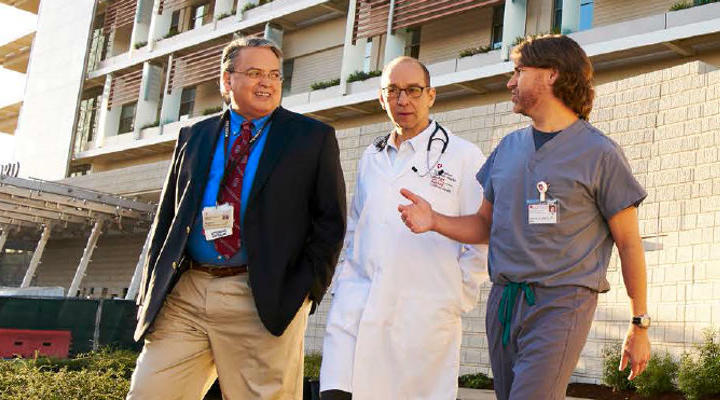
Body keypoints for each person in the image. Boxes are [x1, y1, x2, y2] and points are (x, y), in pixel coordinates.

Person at [397, 34, 651, 400]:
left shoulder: (600, 153)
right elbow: (484, 225)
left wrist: (639, 323)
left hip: (561, 303)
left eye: (519, 71)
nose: (510, 82)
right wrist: (434, 219)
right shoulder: (508, 147)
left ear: (551, 75)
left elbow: (629, 243)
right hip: (504, 302)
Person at [127, 36, 347, 400]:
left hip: (262, 297)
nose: (267, 83)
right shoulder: (194, 136)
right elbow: (167, 219)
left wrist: (303, 293)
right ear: (226, 80)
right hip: (189, 292)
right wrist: (151, 291)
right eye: (255, 73)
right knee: (150, 392)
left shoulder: (311, 137)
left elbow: (330, 222)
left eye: (275, 75)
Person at [319, 56, 489, 400]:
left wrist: (458, 295)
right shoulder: (372, 156)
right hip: (358, 303)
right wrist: (343, 283)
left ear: (431, 95)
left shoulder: (463, 156)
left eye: (413, 90)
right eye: (393, 91)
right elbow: (355, 226)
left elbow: (483, 234)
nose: (403, 100)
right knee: (337, 391)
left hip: (424, 314)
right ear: (382, 99)